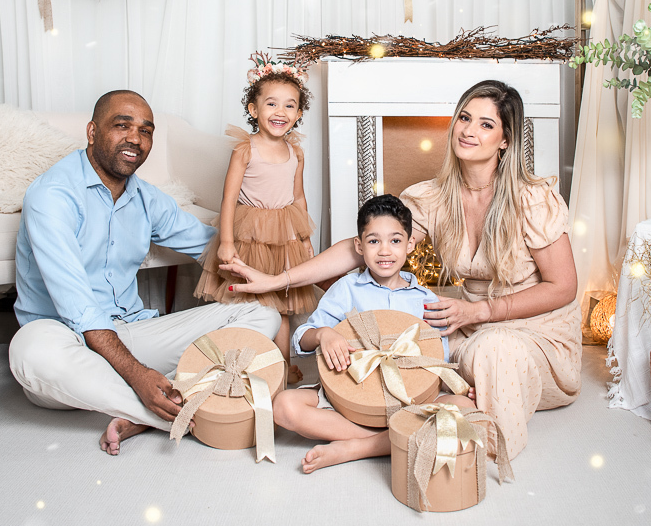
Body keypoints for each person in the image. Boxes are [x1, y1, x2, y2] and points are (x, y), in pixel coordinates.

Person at [226, 80, 580, 460]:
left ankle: (472, 448)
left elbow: (563, 286)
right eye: (464, 118)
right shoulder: (434, 197)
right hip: (470, 324)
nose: (469, 130)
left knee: (482, 362)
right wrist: (278, 280)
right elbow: (366, 244)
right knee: (410, 363)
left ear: (505, 140)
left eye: (486, 124)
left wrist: (481, 311)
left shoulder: (533, 199)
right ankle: (380, 441)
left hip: (534, 329)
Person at [8, 90, 281, 456]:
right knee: (28, 350)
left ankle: (145, 408)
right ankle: (163, 409)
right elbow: (78, 308)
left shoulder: (146, 197)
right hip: (69, 343)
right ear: (92, 132)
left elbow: (212, 246)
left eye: (145, 131)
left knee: (263, 313)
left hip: (131, 335)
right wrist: (137, 375)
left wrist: (288, 271)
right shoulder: (52, 195)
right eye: (122, 126)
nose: (135, 139)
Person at [273, 194, 474, 473]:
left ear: (410, 244)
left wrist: (458, 386)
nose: (384, 251)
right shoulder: (347, 289)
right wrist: (323, 335)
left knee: (464, 408)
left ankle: (356, 448)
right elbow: (302, 338)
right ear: (359, 245)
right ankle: (389, 441)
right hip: (350, 399)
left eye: (395, 240)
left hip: (410, 401)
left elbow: (437, 358)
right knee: (284, 406)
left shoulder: (426, 300)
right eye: (373, 241)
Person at [193, 53, 319, 383]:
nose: (280, 112)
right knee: (252, 304)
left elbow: (298, 197)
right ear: (253, 109)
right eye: (271, 104)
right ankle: (244, 362)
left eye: (290, 105)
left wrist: (305, 238)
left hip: (284, 236)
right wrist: (227, 242)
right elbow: (228, 198)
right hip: (249, 236)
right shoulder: (245, 149)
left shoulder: (296, 152)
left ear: (299, 114)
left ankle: (282, 365)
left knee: (282, 306)